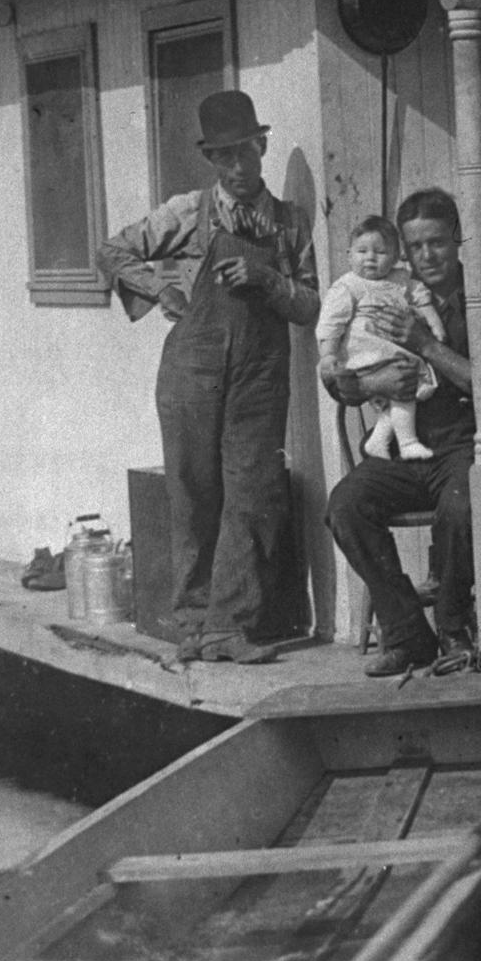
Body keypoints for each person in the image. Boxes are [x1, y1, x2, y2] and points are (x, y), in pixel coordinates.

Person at [97, 90, 319, 663]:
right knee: (194, 494)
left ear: (261, 146)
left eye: (245, 152)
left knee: (250, 493)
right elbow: (114, 251)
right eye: (224, 157)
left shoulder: (291, 223)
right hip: (191, 369)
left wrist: (269, 281)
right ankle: (194, 623)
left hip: (261, 374)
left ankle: (229, 627)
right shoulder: (187, 213)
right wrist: (161, 289)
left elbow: (312, 307)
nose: (238, 167)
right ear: (211, 159)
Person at [324, 188, 481, 676]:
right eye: (414, 247)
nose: (426, 256)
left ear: (458, 240)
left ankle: (454, 624)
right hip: (399, 446)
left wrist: (426, 345)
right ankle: (409, 634)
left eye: (436, 242)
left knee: (463, 504)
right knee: (345, 507)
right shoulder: (385, 295)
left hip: (462, 445)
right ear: (401, 249)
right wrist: (368, 380)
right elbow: (342, 384)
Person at [315, 216, 443, 461]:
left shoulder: (401, 280)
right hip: (365, 350)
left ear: (396, 257)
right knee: (404, 383)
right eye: (362, 251)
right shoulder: (348, 286)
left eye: (381, 252)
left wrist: (434, 322)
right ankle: (408, 443)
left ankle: (379, 440)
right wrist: (329, 354)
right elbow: (331, 324)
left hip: (391, 349)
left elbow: (421, 297)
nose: (370, 258)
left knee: (400, 389)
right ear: (349, 255)